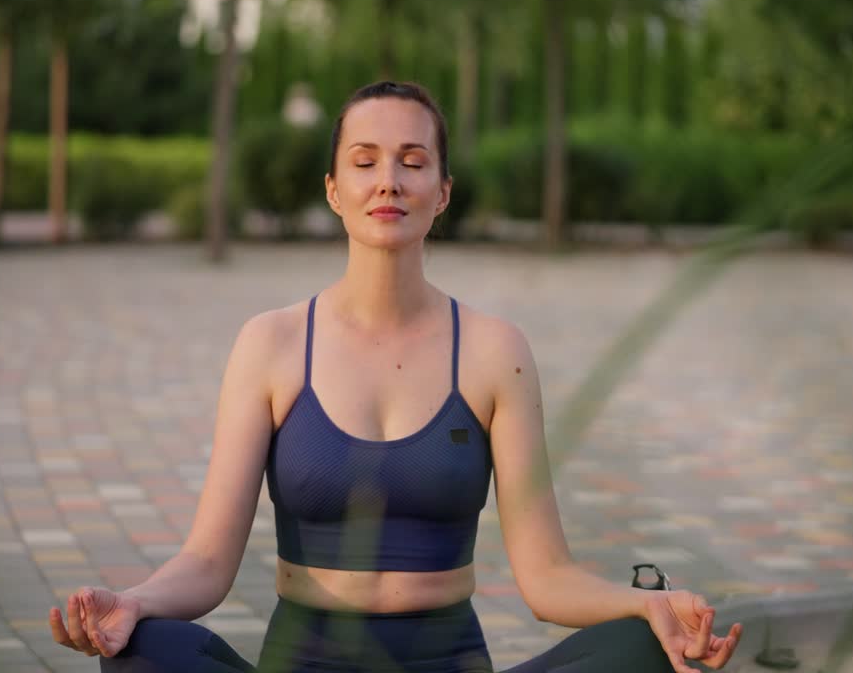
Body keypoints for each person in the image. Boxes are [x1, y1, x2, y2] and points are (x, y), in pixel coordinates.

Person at [47, 81, 743, 673]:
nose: (389, 180)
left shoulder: (496, 350)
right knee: (142, 649)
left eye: (413, 162)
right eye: (365, 161)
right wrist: (134, 601)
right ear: (334, 189)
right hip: (307, 659)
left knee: (646, 652)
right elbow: (205, 562)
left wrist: (647, 604)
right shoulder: (272, 344)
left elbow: (546, 579)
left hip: (445, 660)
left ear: (441, 193)